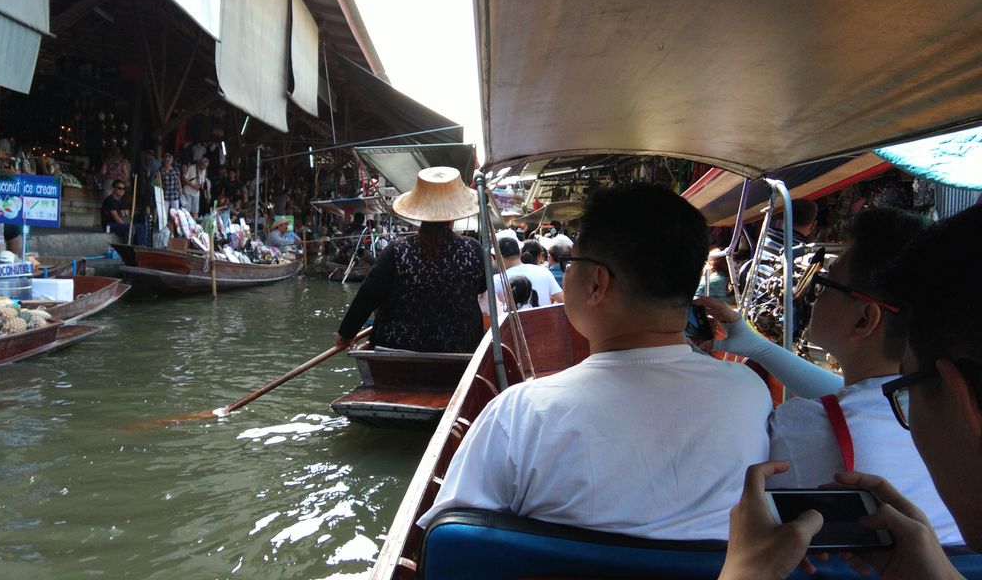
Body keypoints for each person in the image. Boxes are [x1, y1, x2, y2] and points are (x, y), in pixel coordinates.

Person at [419, 183, 772, 540]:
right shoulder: (749, 392)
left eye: (572, 263)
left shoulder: (519, 416)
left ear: (596, 284)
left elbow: (449, 543)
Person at [720, 204, 982, 579]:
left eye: (824, 284)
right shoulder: (915, 399)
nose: (811, 295)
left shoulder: (799, 422)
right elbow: (864, 396)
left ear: (864, 318)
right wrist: (758, 346)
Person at [335, 167, 486, 353]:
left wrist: (346, 333)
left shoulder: (397, 250)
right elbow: (482, 286)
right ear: (453, 217)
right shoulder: (473, 249)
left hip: (396, 346)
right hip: (461, 347)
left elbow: (369, 295)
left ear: (420, 215)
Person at [489, 236, 563, 309]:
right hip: (544, 320)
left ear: (498, 256)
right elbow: (562, 300)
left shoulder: (498, 279)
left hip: (513, 321)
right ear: (520, 252)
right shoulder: (543, 271)